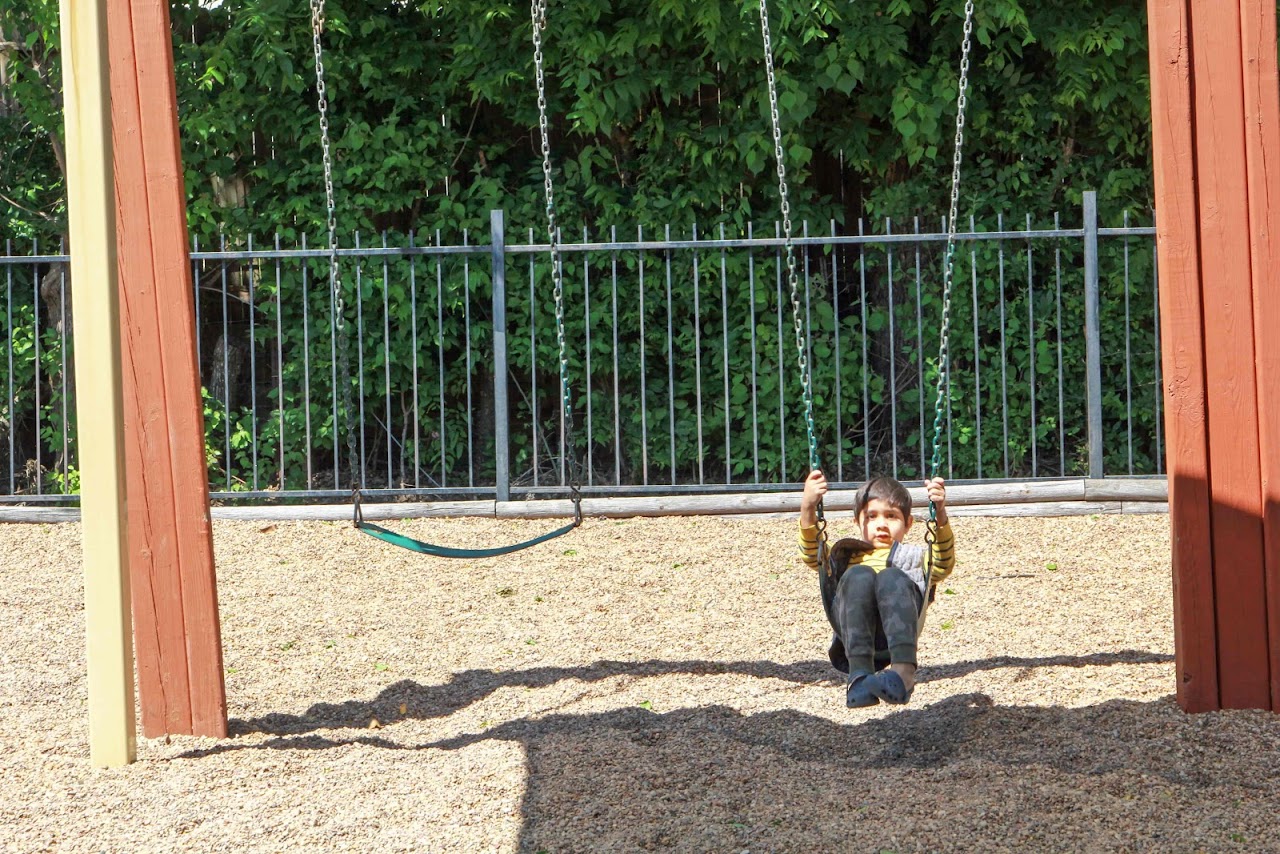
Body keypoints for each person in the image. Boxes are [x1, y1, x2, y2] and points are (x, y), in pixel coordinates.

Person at [798, 471, 954, 708]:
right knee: (859, 575)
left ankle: (903, 672)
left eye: (891, 516)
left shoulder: (914, 557)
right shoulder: (845, 557)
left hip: (897, 627)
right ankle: (859, 676)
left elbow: (942, 563)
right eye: (871, 516)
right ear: (857, 522)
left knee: (890, 577)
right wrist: (808, 507)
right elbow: (813, 555)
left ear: (908, 523)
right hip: (855, 628)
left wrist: (940, 514)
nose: (881, 524)